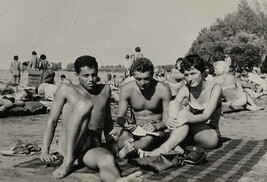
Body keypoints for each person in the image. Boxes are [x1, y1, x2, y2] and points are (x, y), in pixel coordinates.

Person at [39, 55, 142, 181]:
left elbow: (108, 122)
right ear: (77, 75)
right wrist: (45, 150)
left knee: (107, 159)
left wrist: (112, 146)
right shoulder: (66, 89)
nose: (91, 79)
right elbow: (52, 121)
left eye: (94, 75)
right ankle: (68, 161)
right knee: (85, 105)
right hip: (69, 144)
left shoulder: (105, 90)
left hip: (91, 146)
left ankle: (117, 180)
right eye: (86, 76)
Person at [145, 54, 222, 156]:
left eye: (193, 73)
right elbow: (173, 107)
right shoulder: (186, 89)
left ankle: (164, 148)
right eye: (186, 75)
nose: (190, 78)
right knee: (173, 103)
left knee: (183, 114)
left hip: (209, 134)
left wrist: (186, 118)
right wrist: (169, 120)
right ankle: (175, 143)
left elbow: (205, 116)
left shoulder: (215, 88)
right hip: (189, 132)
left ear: (202, 72)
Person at [116, 58, 171, 158]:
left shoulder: (163, 89)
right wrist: (125, 123)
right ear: (133, 75)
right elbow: (119, 116)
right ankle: (128, 150)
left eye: (146, 79)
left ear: (152, 75)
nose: (142, 83)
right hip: (134, 128)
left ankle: (126, 151)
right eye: (138, 79)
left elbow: (168, 120)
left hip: (155, 131)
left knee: (147, 141)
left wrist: (156, 126)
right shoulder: (126, 89)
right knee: (121, 137)